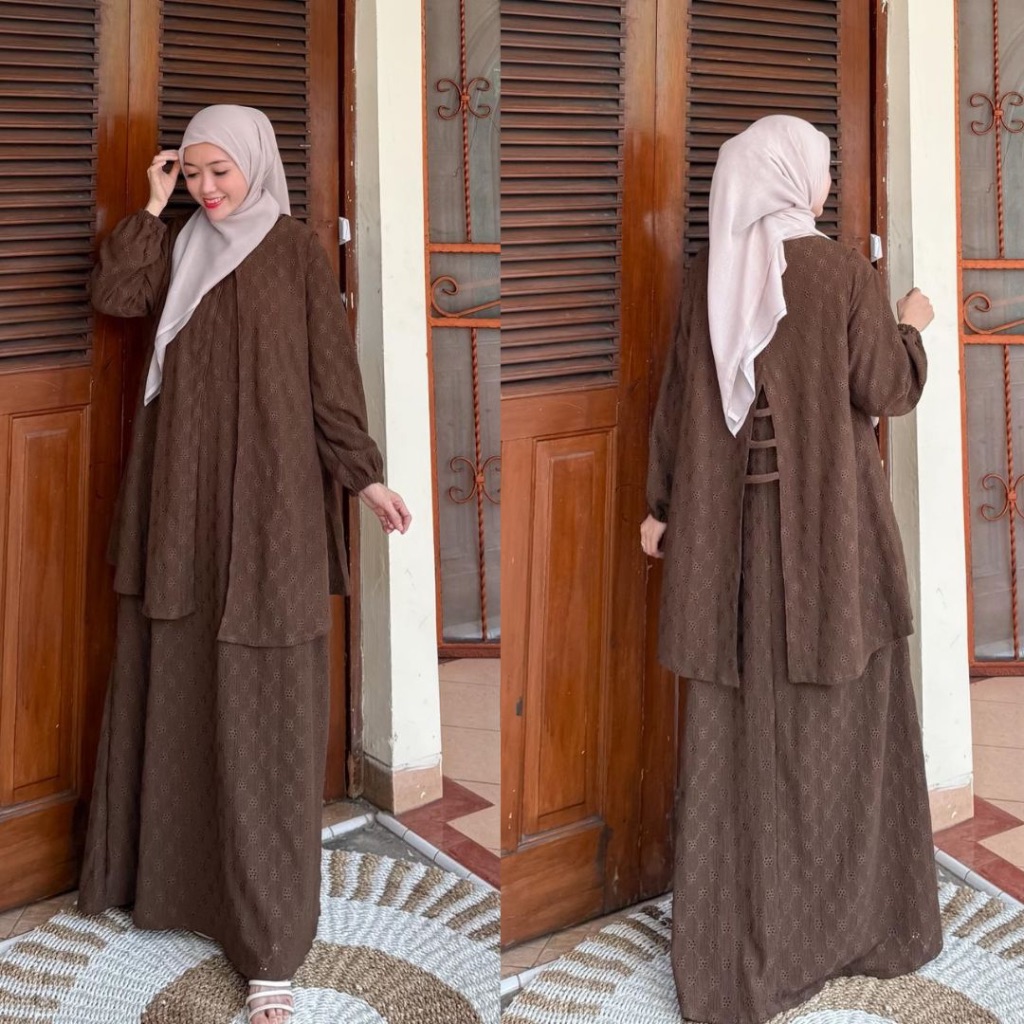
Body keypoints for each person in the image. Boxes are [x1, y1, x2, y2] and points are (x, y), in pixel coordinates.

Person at [79, 105, 410, 1024]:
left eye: (220, 171)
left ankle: (270, 949)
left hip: (271, 516)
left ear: (256, 164)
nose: (208, 188)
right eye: (193, 173)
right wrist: (153, 209)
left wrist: (364, 475)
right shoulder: (180, 245)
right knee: (180, 688)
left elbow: (330, 379)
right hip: (181, 507)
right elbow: (116, 297)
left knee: (268, 714)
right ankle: (173, 888)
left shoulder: (296, 251)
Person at [640, 115, 942, 1024]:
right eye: (821, 172)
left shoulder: (710, 278)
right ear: (792, 178)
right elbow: (886, 388)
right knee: (842, 722)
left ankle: (741, 946)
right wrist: (911, 324)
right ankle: (852, 927)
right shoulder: (843, 273)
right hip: (829, 543)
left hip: (727, 547)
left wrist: (661, 508)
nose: (827, 187)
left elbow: (677, 401)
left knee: (739, 733)